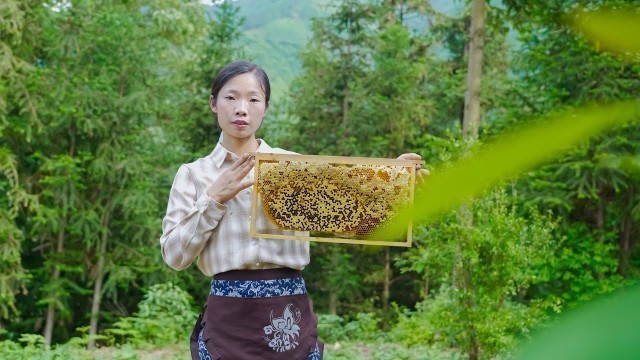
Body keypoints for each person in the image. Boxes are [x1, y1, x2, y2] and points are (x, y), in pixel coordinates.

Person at [159, 60, 428, 360]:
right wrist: (214, 198)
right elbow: (174, 255)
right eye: (231, 97)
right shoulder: (195, 175)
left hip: (288, 319)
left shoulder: (294, 167)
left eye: (253, 99)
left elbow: (355, 211)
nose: (241, 108)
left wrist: (394, 179)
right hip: (228, 321)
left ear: (266, 107)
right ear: (213, 103)